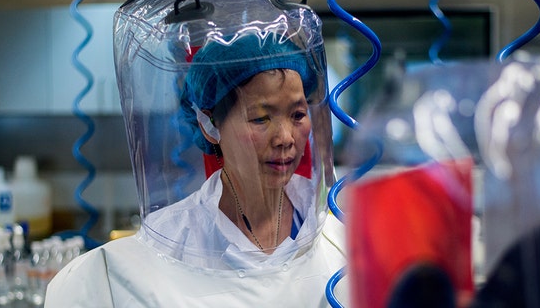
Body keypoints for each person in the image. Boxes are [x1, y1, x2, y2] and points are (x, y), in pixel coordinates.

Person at [44, 32, 347, 307]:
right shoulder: (169, 243)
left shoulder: (337, 231)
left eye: (297, 114)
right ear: (209, 124)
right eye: (260, 119)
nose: (285, 139)